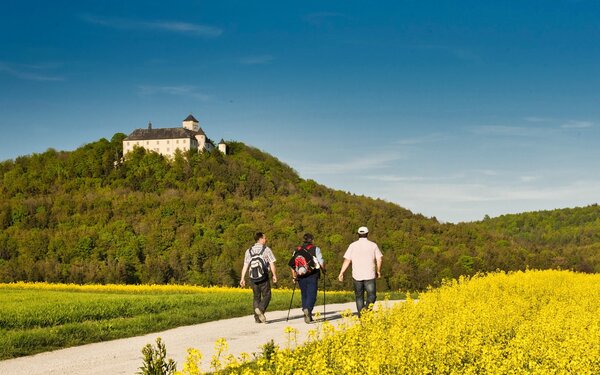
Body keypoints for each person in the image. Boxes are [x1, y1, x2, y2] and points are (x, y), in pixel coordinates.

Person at [338, 226, 382, 316]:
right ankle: (366, 311)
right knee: (372, 296)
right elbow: (379, 259)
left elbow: (347, 260)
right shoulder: (373, 245)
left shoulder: (352, 245)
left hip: (356, 275)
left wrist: (341, 272)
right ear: (367, 234)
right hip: (369, 274)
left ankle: (361, 315)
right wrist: (378, 271)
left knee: (359, 296)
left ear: (358, 234)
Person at [240, 232, 277, 323]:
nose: (266, 239)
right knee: (267, 295)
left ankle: (257, 319)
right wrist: (274, 275)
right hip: (263, 277)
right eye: (264, 238)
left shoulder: (248, 251)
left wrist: (242, 278)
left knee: (256, 297)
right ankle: (260, 309)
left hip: (253, 278)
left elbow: (245, 265)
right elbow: (272, 264)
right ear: (260, 239)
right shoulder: (266, 249)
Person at [288, 233, 325, 323]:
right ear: (312, 240)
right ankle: (308, 309)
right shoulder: (316, 249)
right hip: (312, 274)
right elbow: (321, 262)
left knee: (304, 294)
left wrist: (294, 276)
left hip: (300, 275)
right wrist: (324, 270)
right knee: (312, 294)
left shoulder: (297, 250)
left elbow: (293, 265)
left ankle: (306, 312)